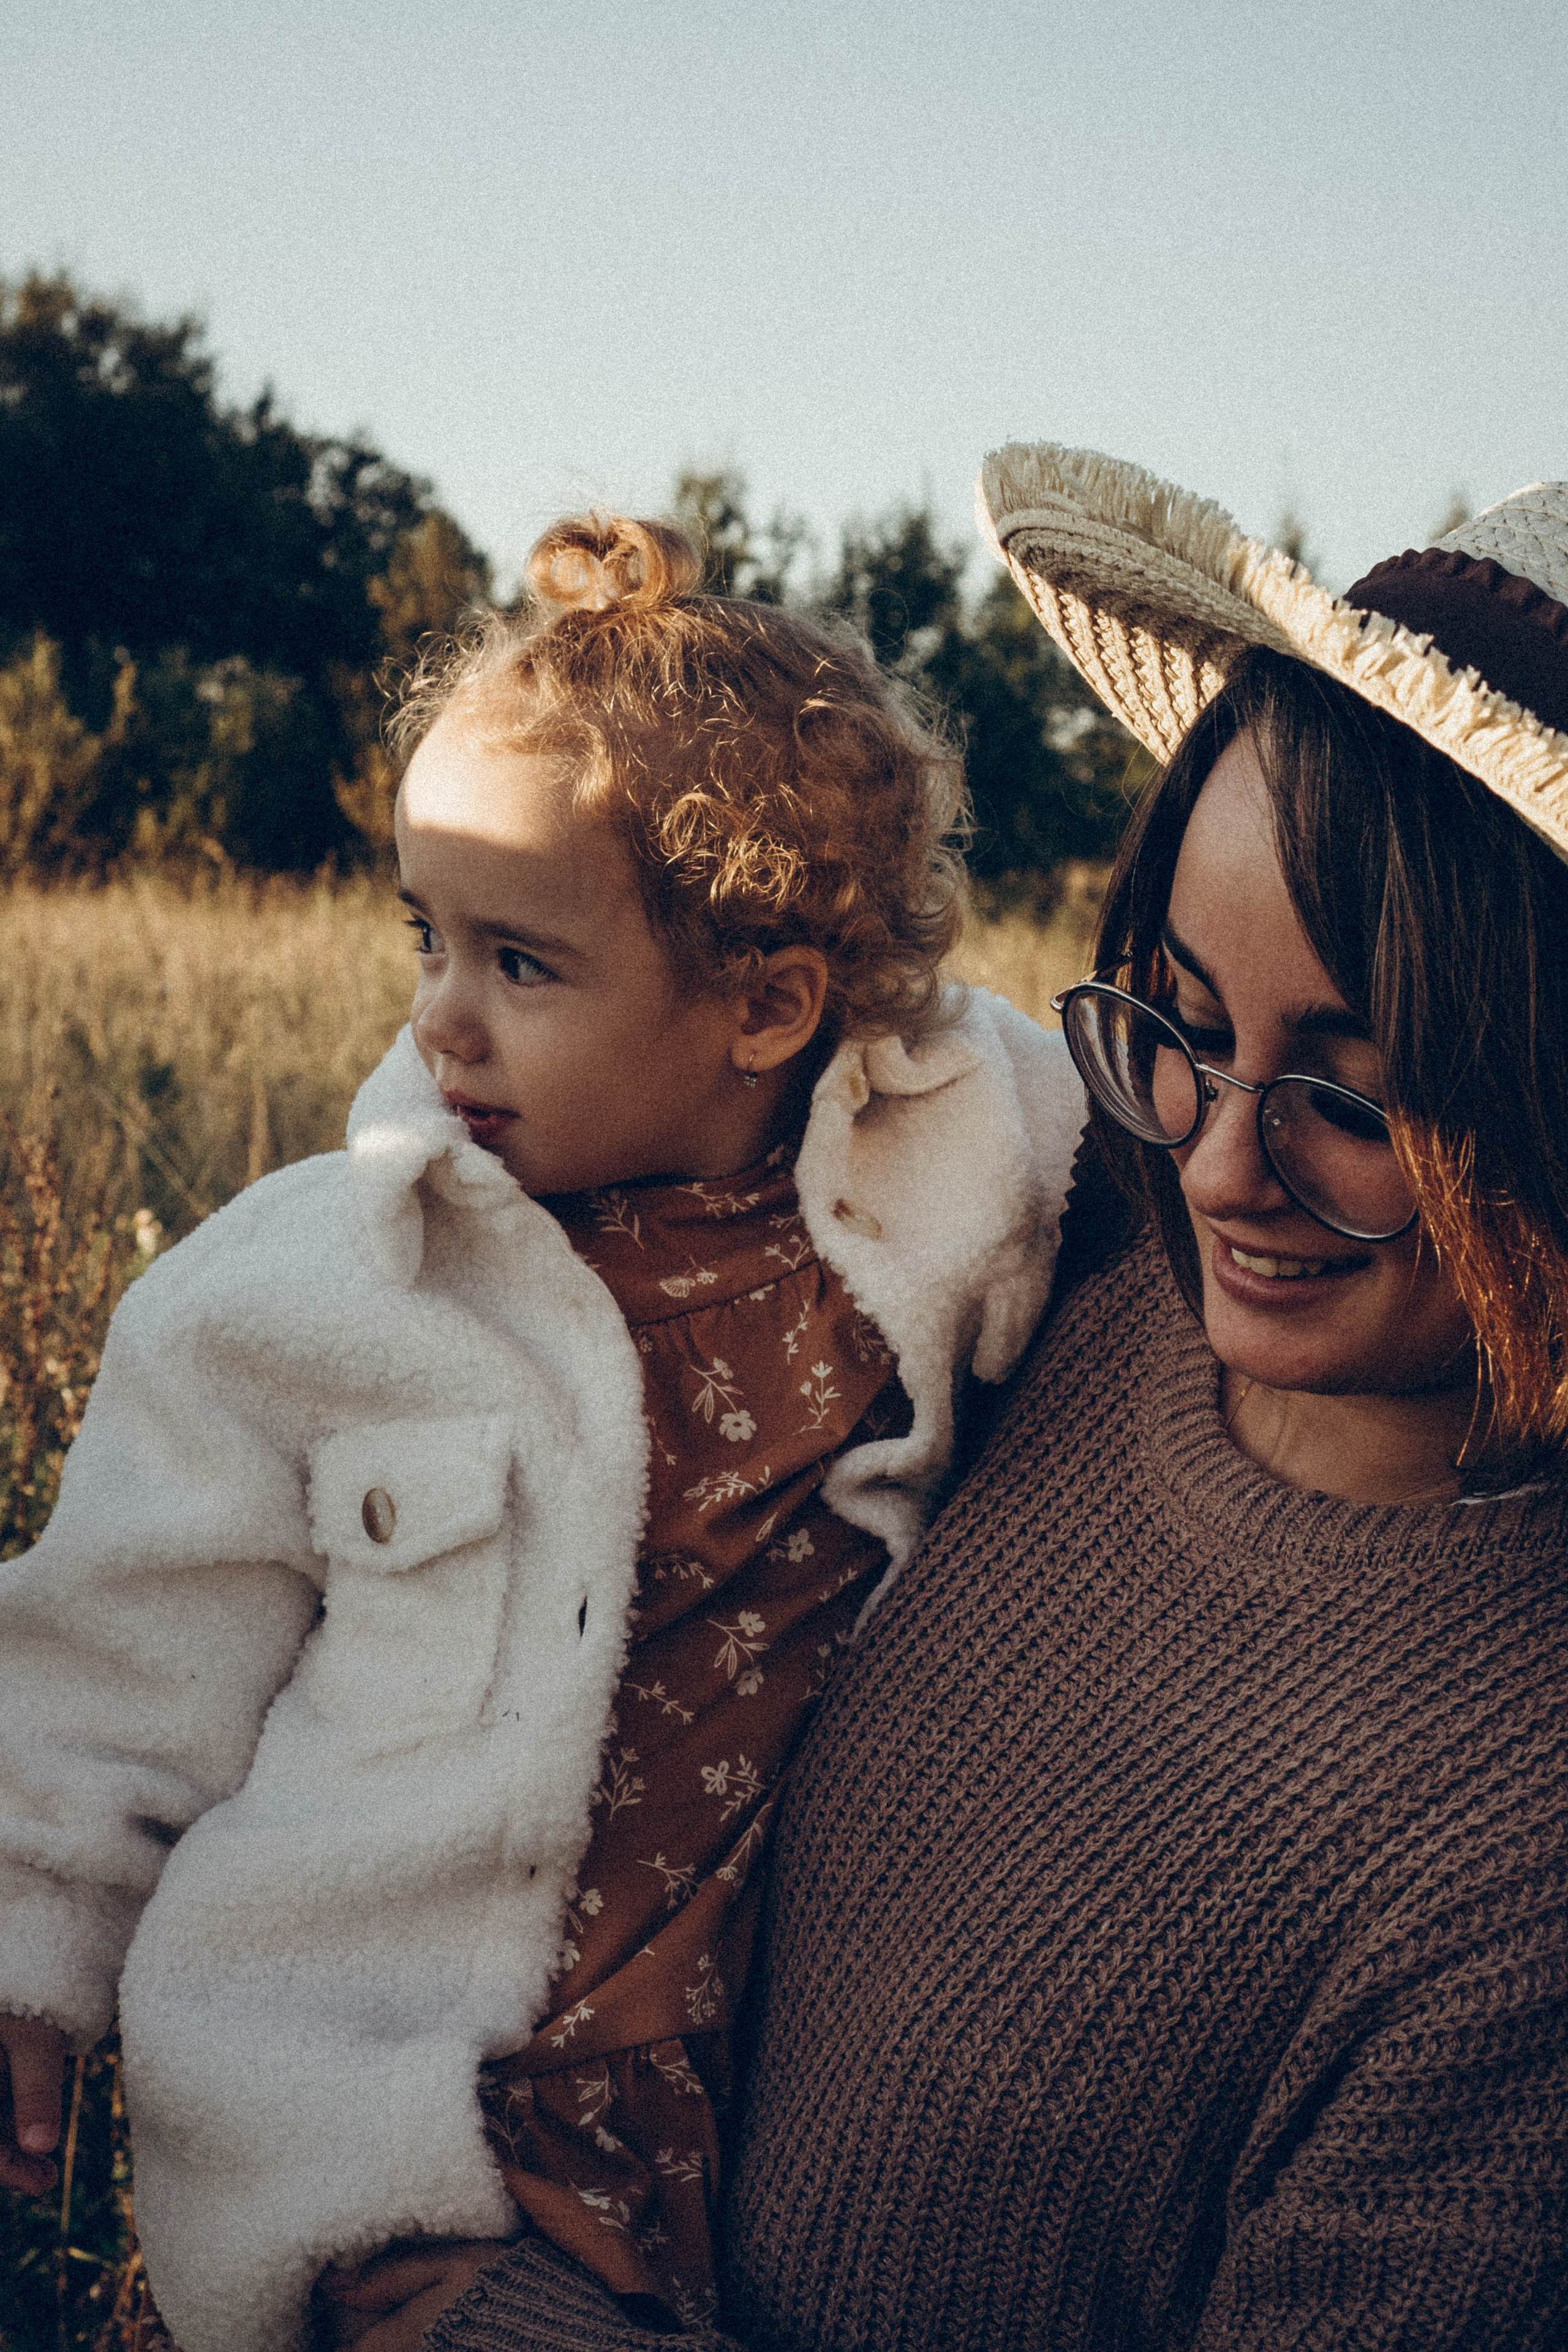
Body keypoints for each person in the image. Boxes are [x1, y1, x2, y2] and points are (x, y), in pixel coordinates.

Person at [393, 454, 1568, 2351]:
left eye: (1354, 1095)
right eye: (1178, 1024)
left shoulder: (1521, 1864)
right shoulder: (1076, 1269)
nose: (1217, 1168)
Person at [0, 514, 1085, 2352]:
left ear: (764, 1004)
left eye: (522, 963)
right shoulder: (318, 1286)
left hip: (732, 2107)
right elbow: (121, 1644)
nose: (439, 1022)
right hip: (371, 2107)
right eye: (429, 938)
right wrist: (26, 1962)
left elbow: (1093, 1094)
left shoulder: (952, 1178)